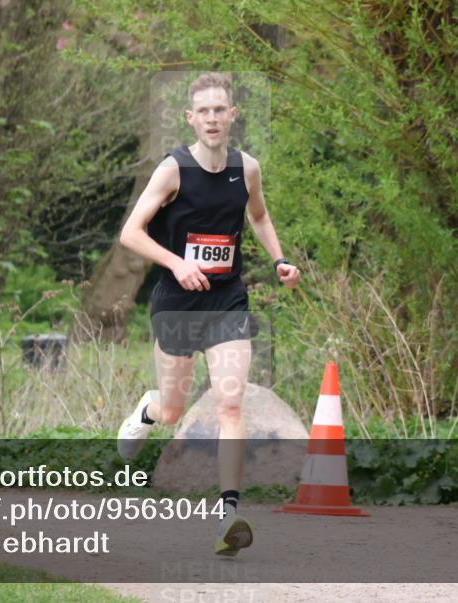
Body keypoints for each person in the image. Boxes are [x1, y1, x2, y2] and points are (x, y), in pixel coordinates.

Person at [116, 72, 301, 557]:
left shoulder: (248, 169)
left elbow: (258, 216)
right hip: (177, 304)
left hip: (226, 302)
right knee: (174, 408)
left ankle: (229, 515)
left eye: (221, 110)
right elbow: (130, 234)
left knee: (230, 403)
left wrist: (279, 259)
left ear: (232, 116)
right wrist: (177, 264)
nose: (213, 118)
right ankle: (147, 411)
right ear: (191, 118)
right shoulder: (172, 170)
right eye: (205, 111)